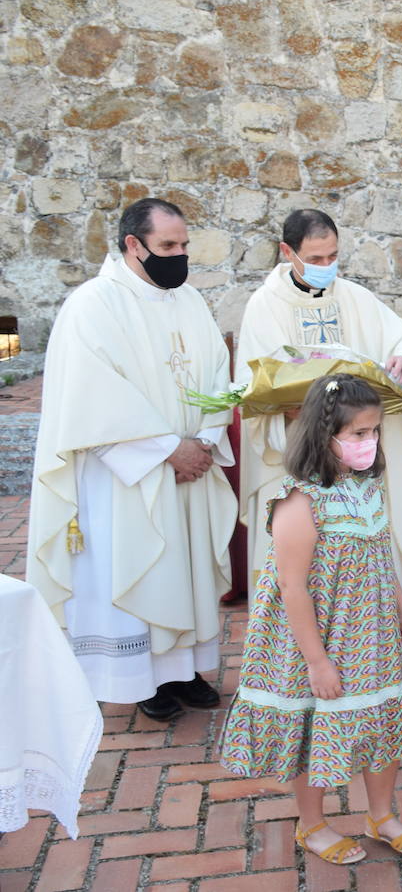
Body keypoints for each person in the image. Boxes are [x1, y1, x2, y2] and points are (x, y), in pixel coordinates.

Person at [26, 197, 237, 721]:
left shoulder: (188, 301)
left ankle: (184, 670)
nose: (180, 256)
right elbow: (92, 398)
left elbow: (215, 372)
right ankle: (141, 678)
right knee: (139, 564)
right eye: (169, 246)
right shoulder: (93, 305)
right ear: (132, 245)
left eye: (185, 245)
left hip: (192, 467)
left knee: (181, 567)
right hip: (127, 476)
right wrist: (168, 449)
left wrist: (206, 438)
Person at [219, 374, 402, 865]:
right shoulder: (299, 499)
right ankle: (311, 824)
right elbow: (291, 586)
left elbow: (380, 551)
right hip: (315, 636)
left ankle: (379, 813)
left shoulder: (369, 483)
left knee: (380, 717)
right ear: (323, 433)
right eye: (358, 434)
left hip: (369, 630)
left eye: (374, 431)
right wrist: (316, 661)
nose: (369, 442)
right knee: (312, 726)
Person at [237, 208, 402, 601]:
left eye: (333, 256)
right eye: (315, 259)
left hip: (357, 458)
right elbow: (254, 388)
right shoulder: (265, 306)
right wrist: (287, 408)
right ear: (287, 253)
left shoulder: (355, 296)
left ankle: (359, 632)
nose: (327, 266)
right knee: (300, 571)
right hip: (300, 453)